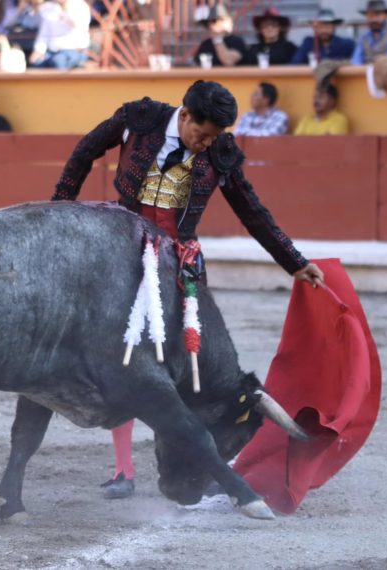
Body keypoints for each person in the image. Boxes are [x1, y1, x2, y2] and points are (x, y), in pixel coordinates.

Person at [52, 81, 324, 498]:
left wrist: (295, 262)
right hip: (120, 246)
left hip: (177, 259)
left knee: (184, 354)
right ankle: (124, 469)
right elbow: (85, 152)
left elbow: (252, 211)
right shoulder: (138, 120)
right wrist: (60, 210)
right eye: (203, 134)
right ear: (185, 115)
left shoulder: (220, 152)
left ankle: (195, 457)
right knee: (120, 347)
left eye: (215, 137)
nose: (207, 144)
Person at [29, 0, 91, 69]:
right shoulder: (48, 8)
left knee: (58, 61)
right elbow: (44, 33)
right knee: (36, 62)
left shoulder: (80, 6)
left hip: (74, 50)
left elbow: (79, 27)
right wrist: (39, 50)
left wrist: (65, 10)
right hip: (52, 51)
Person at [291, 8, 356, 65]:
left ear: (334, 27)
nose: (324, 30)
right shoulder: (308, 43)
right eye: (321, 26)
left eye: (327, 26)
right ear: (315, 28)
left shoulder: (346, 44)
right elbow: (295, 64)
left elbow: (357, 63)